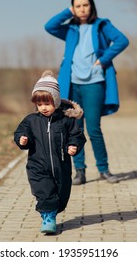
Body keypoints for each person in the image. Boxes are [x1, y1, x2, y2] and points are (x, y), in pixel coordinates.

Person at [44, 0, 129, 185]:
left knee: (93, 128)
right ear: (74, 8)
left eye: (85, 5)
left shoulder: (101, 25)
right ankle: (79, 171)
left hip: (94, 83)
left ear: (91, 6)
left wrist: (104, 60)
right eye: (78, 6)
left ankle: (104, 169)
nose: (82, 9)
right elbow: (49, 26)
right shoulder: (70, 30)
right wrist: (68, 12)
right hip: (72, 83)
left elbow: (122, 40)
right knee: (75, 129)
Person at [14, 70, 86, 234]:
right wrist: (22, 139)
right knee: (45, 192)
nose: (43, 108)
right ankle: (48, 219)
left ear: (56, 101)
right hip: (37, 166)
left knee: (61, 196)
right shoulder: (31, 120)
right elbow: (20, 132)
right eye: (39, 104)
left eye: (47, 103)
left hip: (61, 166)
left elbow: (77, 135)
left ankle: (52, 211)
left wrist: (73, 145)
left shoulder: (66, 120)